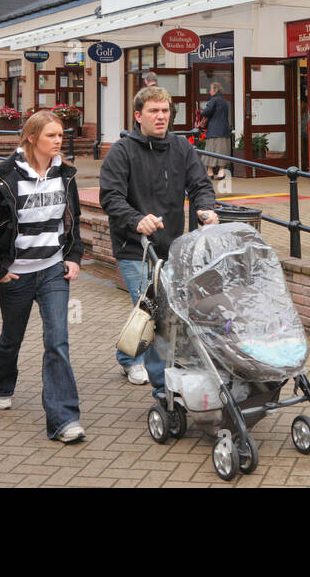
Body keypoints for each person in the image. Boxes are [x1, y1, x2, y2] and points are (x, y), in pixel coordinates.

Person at [0, 110, 87, 443]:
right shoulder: (5, 176)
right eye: (51, 135)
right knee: (12, 336)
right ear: (32, 137)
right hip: (17, 275)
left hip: (52, 270)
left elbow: (73, 219)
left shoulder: (65, 174)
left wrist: (74, 257)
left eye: (61, 135)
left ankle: (64, 419)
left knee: (58, 342)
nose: (58, 140)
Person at [99, 86, 218, 391]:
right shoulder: (122, 151)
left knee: (153, 310)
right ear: (138, 116)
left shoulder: (182, 148)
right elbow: (110, 197)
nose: (161, 116)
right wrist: (136, 219)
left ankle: (127, 357)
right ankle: (163, 389)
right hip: (134, 248)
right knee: (158, 314)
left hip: (172, 246)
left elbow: (200, 184)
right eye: (154, 111)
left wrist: (205, 209)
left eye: (165, 110)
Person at [199, 81, 232, 179]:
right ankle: (221, 171)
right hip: (224, 131)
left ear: (215, 90)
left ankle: (210, 172)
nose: (209, 92)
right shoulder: (224, 101)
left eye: (210, 89)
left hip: (214, 131)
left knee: (210, 150)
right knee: (222, 151)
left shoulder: (213, 100)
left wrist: (202, 111)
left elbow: (206, 112)